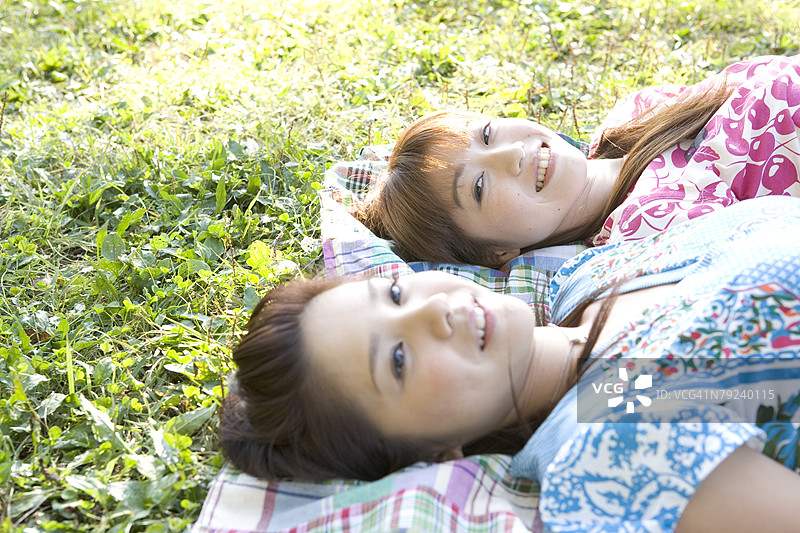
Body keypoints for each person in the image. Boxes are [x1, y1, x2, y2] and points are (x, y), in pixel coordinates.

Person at [219, 196, 800, 532]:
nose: (431, 315)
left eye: (395, 296)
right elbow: (755, 393)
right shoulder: (608, 424)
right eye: (397, 360)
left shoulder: (583, 280)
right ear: (433, 453)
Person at [356, 54, 800, 268]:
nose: (510, 154)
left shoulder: (629, 116)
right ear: (498, 253)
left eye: (487, 134)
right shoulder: (642, 231)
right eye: (478, 187)